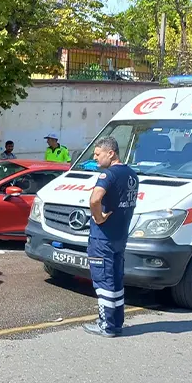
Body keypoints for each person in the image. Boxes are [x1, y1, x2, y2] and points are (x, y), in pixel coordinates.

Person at [83, 136, 139, 338]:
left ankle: (106, 325)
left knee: (103, 281)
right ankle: (116, 323)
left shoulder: (108, 175)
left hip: (103, 238)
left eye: (98, 154)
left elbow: (95, 199)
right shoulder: (132, 174)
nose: (95, 157)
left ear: (111, 153)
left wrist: (98, 218)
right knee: (115, 281)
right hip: (120, 236)